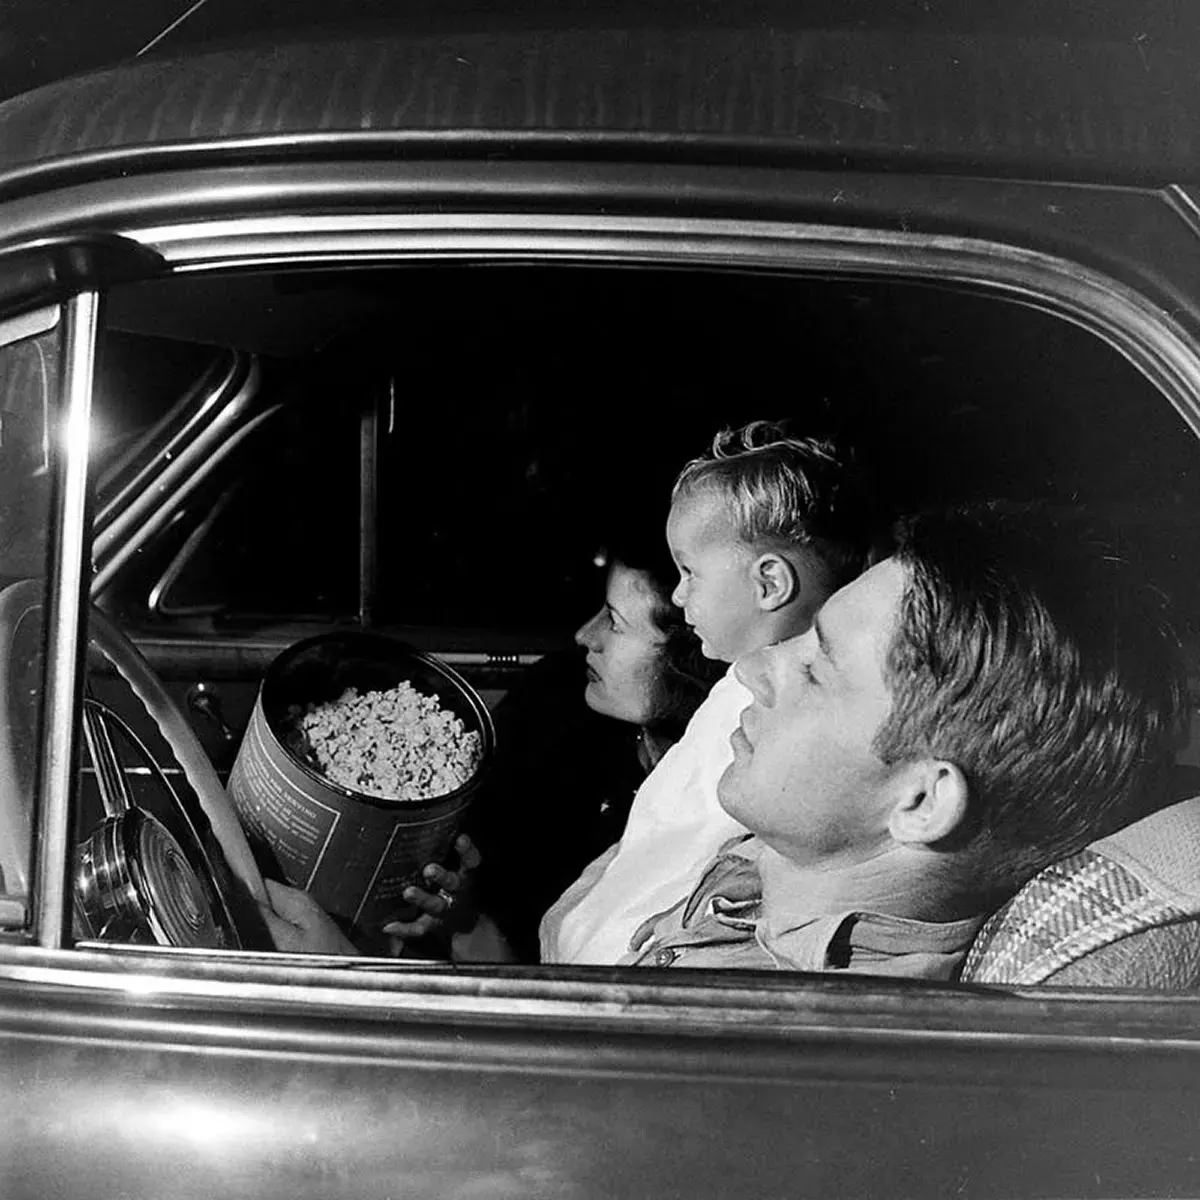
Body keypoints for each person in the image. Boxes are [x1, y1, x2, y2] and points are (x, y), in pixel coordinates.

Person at [621, 505, 1186, 976]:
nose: (753, 669)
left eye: (817, 671)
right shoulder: (785, 855)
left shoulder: (770, 1047)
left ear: (920, 803)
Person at [538, 420, 877, 964]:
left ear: (769, 584)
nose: (678, 593)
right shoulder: (736, 683)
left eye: (690, 572)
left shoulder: (788, 724)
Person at [384, 512, 724, 962]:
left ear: (688, 660)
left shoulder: (711, 799)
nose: (586, 635)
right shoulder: (556, 701)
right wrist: (459, 909)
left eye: (616, 623)